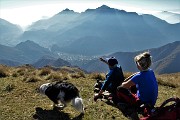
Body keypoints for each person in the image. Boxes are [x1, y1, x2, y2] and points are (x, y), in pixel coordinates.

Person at [117, 52, 158, 117]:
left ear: (138, 65)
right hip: (151, 102)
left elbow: (124, 85)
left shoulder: (139, 77)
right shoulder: (150, 71)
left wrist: (123, 82)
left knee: (119, 89)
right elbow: (138, 73)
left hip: (142, 102)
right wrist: (132, 76)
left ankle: (128, 106)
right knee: (133, 85)